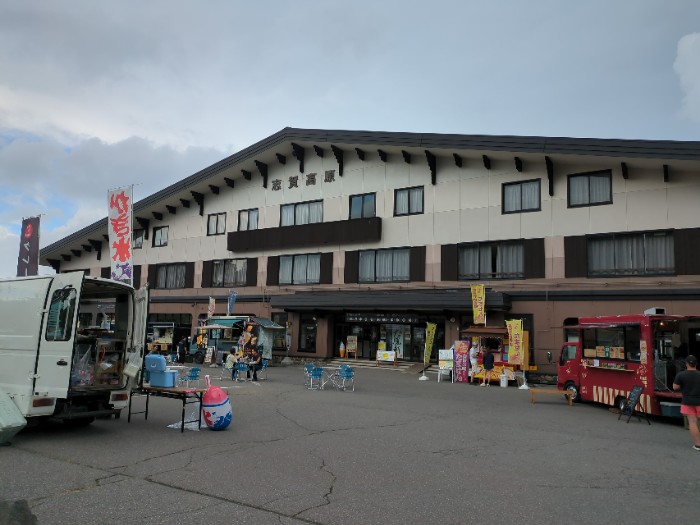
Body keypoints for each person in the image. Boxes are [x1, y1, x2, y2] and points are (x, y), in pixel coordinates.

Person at [673, 355, 700, 451]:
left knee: (692, 422)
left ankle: (697, 445)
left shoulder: (681, 375)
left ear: (686, 364)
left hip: (687, 401)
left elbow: (675, 387)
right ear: (696, 364)